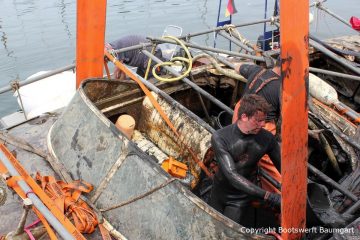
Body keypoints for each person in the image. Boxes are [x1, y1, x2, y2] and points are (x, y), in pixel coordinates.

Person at [210, 94, 281, 227]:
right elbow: (231, 175)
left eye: (264, 120)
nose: (263, 124)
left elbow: (284, 168)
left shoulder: (267, 139)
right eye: (258, 121)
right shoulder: (220, 137)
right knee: (211, 227)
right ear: (243, 117)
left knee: (229, 231)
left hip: (240, 198)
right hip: (220, 192)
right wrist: (268, 196)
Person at [232, 58, 281, 194]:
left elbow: (238, 66)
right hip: (261, 126)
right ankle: (279, 196)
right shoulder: (282, 88)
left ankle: (240, 175)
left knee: (238, 150)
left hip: (241, 117)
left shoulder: (256, 71)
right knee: (268, 162)